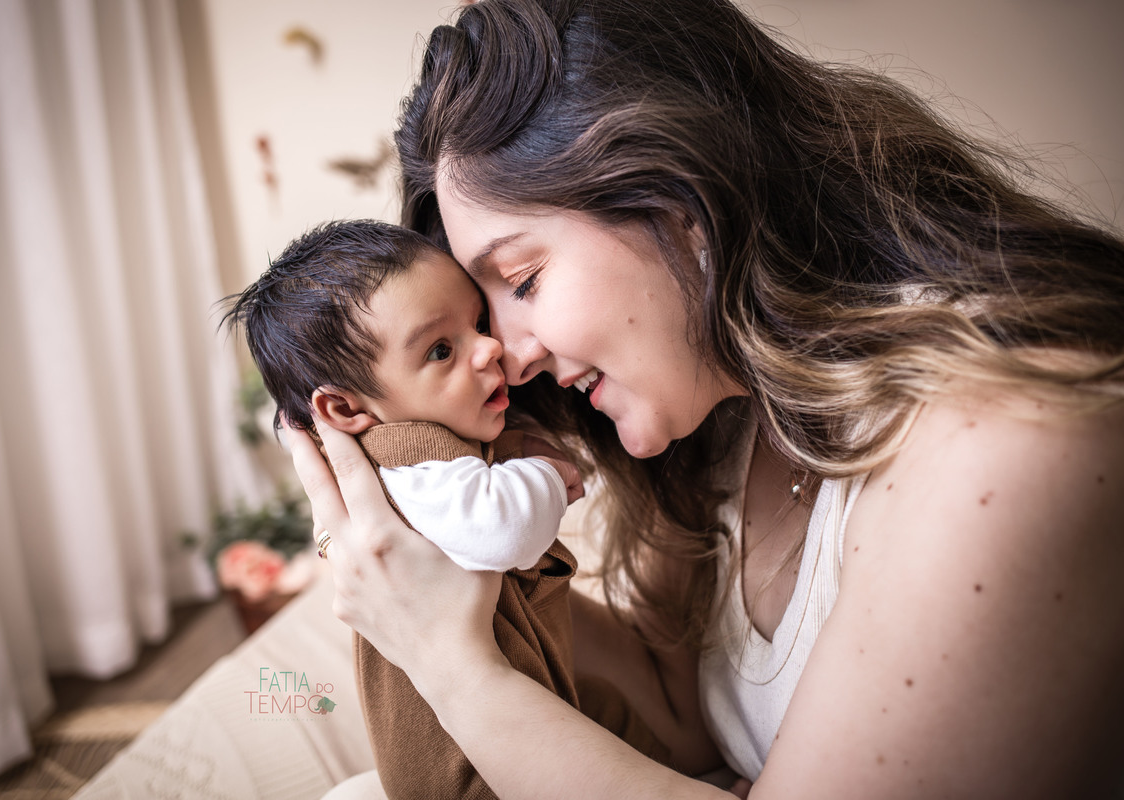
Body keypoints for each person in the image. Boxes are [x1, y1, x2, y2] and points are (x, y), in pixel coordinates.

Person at [282, 0, 1124, 796]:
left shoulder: (1005, 441)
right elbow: (679, 709)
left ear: (679, 200)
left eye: (525, 279)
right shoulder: (727, 409)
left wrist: (446, 659)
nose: (514, 358)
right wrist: (443, 574)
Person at [223, 219, 671, 799]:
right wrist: (547, 478)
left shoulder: (436, 441)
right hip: (469, 771)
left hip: (513, 708)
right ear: (345, 409)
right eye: (441, 350)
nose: (491, 348)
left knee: (606, 709)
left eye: (478, 324)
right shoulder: (407, 459)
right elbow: (501, 527)